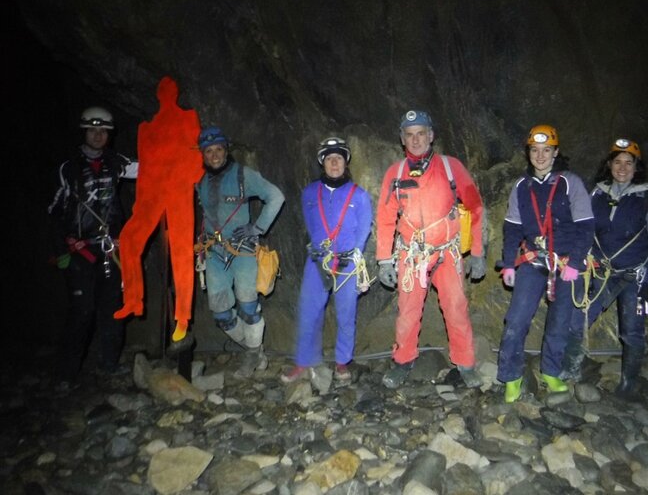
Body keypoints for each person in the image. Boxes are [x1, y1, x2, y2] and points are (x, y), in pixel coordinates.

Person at [376, 110, 486, 389]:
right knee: (408, 311)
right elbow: (386, 218)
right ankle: (402, 361)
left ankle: (465, 362)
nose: (415, 140)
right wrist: (384, 261)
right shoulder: (396, 173)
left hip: (447, 252)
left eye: (421, 133)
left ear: (431, 136)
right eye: (409, 135)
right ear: (402, 139)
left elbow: (474, 207)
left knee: (456, 307)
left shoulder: (452, 168)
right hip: (412, 254)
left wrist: (477, 252)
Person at [560, 138, 648, 400]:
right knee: (580, 317)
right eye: (617, 162)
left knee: (631, 331)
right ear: (609, 165)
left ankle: (629, 384)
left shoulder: (647, 197)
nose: (622, 168)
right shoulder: (597, 194)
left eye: (628, 163)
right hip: (603, 273)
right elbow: (584, 229)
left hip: (635, 276)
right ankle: (569, 371)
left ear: (636, 167)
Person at [497, 124, 594, 403]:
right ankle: (511, 376)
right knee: (516, 320)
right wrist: (508, 264)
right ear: (528, 153)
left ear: (556, 152)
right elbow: (512, 228)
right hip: (533, 260)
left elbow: (586, 227)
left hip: (566, 264)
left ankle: (551, 371)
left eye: (546, 150)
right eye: (535, 150)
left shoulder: (570, 183)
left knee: (560, 321)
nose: (540, 156)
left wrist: (576, 261)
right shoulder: (521, 187)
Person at [48, 106, 138, 389]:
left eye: (103, 132)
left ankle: (109, 365)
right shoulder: (68, 168)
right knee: (82, 310)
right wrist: (64, 242)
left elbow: (151, 168)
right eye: (93, 130)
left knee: (112, 308)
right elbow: (53, 210)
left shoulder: (117, 162)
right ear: (84, 132)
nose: (98, 136)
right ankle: (65, 374)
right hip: (80, 251)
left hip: (110, 249)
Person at [113, 76, 204, 344]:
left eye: (170, 89)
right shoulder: (146, 128)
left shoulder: (188, 118)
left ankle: (183, 317)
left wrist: (186, 179)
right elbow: (144, 170)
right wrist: (141, 204)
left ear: (175, 92)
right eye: (162, 90)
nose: (166, 92)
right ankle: (133, 300)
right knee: (129, 239)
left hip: (177, 191)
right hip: (152, 194)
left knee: (181, 253)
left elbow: (196, 155)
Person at [194, 126, 285, 378]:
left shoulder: (243, 175)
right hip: (213, 252)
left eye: (218, 150)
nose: (214, 155)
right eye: (209, 151)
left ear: (226, 150)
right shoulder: (199, 180)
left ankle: (251, 356)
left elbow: (275, 196)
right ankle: (255, 350)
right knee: (221, 313)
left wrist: (258, 228)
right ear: (202, 154)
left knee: (248, 307)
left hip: (242, 250)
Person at [281, 137, 373, 384]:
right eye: (330, 159)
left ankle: (342, 361)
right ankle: (303, 361)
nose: (334, 163)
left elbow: (363, 231)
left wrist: (353, 256)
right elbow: (311, 226)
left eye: (339, 158)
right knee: (309, 311)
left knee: (346, 313)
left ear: (345, 163)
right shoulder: (309, 193)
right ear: (323, 163)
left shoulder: (360, 196)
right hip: (317, 261)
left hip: (347, 263)